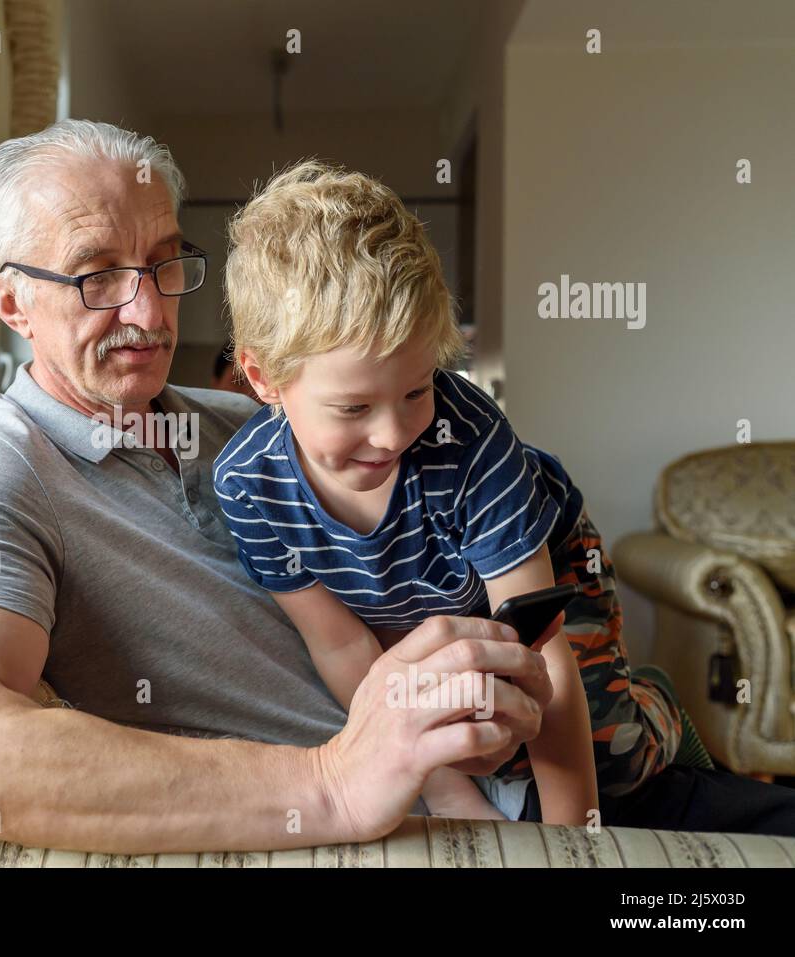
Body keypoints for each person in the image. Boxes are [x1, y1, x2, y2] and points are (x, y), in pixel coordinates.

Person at [0, 119, 795, 853]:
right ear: (9, 302)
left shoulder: (259, 423)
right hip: (416, 808)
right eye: (97, 275)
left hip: (547, 759)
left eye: (166, 264)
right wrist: (333, 783)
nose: (148, 310)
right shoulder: (1, 467)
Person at [214, 159, 671, 826]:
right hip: (415, 597)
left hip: (541, 568)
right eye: (352, 409)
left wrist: (574, 842)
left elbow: (540, 646)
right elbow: (343, 647)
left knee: (608, 754)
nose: (393, 433)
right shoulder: (248, 488)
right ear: (263, 378)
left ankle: (654, 702)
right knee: (473, 729)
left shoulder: (477, 445)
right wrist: (446, 790)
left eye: (416, 390)